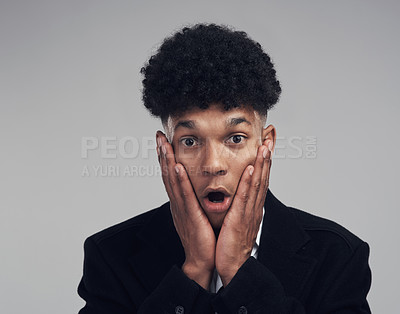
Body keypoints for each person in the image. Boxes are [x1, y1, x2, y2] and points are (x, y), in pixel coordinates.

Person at [77, 23, 372, 313]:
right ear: (165, 151)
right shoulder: (110, 257)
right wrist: (192, 271)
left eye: (235, 138)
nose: (213, 165)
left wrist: (239, 270)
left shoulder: (338, 257)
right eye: (190, 141)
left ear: (265, 144)